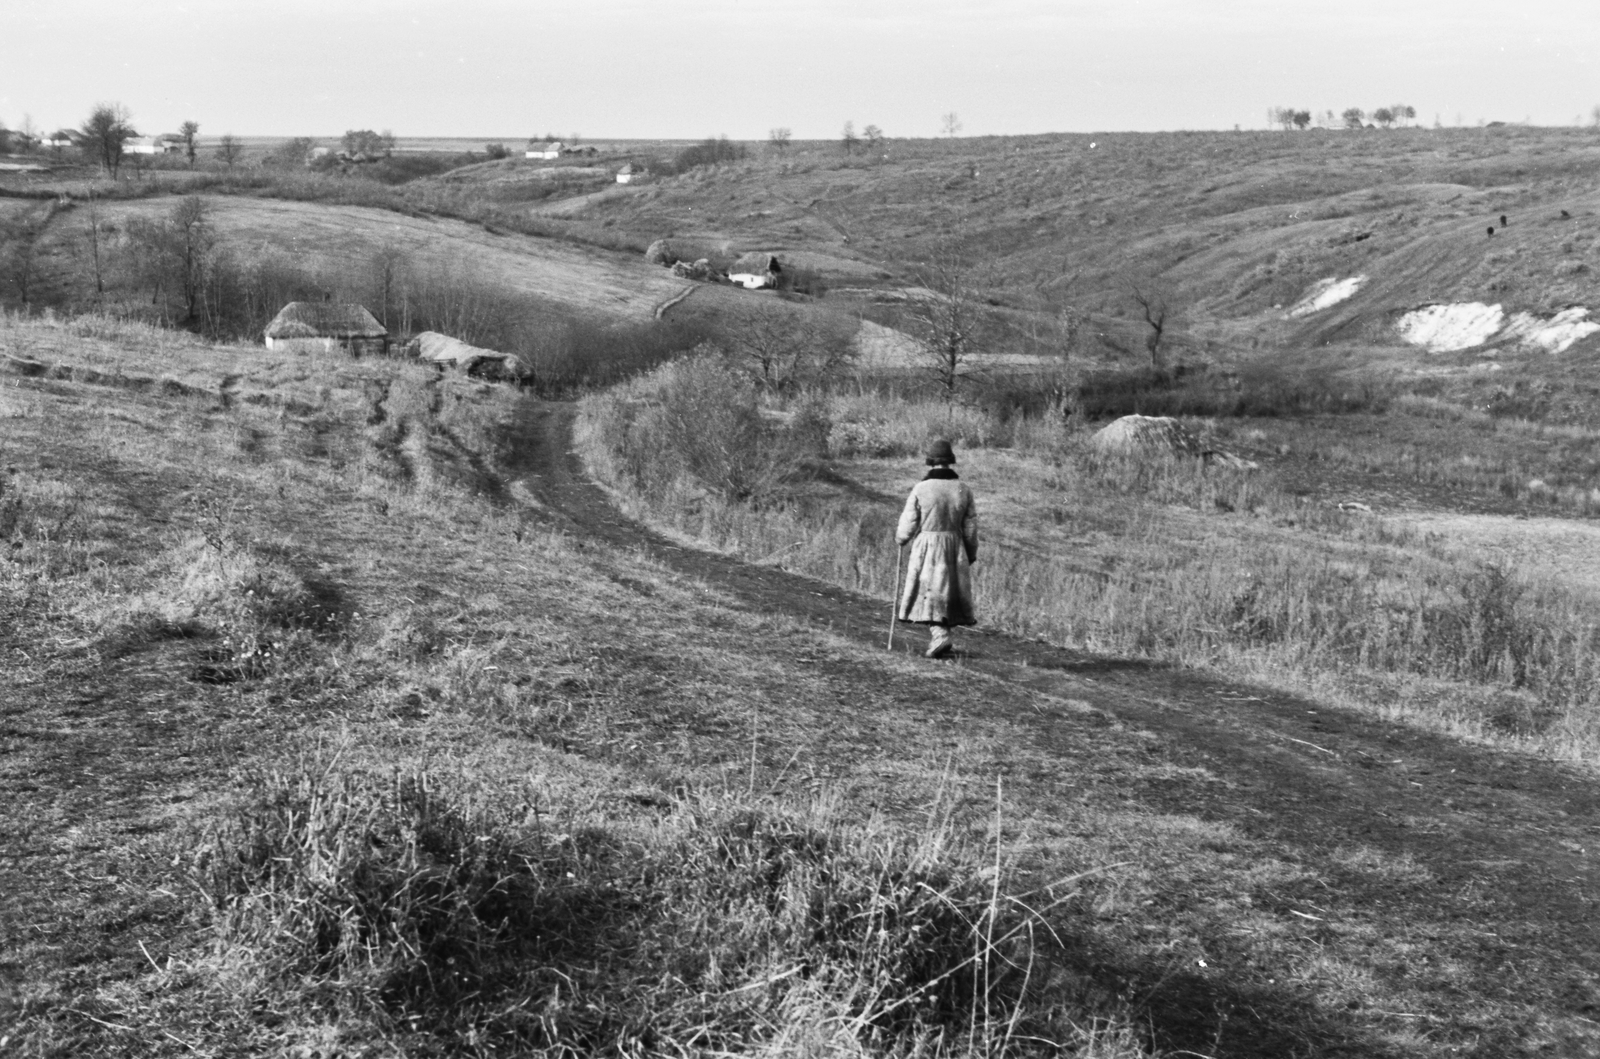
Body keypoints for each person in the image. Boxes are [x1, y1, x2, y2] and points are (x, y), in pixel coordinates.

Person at [895, 439, 979, 659]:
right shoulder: (963, 489)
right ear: (950, 461)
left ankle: (939, 635)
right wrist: (970, 552)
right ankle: (941, 634)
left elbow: (909, 521)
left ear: (930, 461)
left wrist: (901, 538)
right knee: (948, 592)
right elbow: (970, 527)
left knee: (929, 591)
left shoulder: (921, 489)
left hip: (927, 547)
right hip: (954, 546)